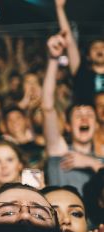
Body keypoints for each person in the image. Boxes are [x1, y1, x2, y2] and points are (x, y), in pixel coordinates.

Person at [43, 33, 103, 195]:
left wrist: (92, 163)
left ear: (96, 124)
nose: (84, 118)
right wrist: (53, 59)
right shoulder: (59, 150)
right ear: (68, 126)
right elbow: (48, 107)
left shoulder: (100, 157)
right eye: (78, 115)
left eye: (89, 115)